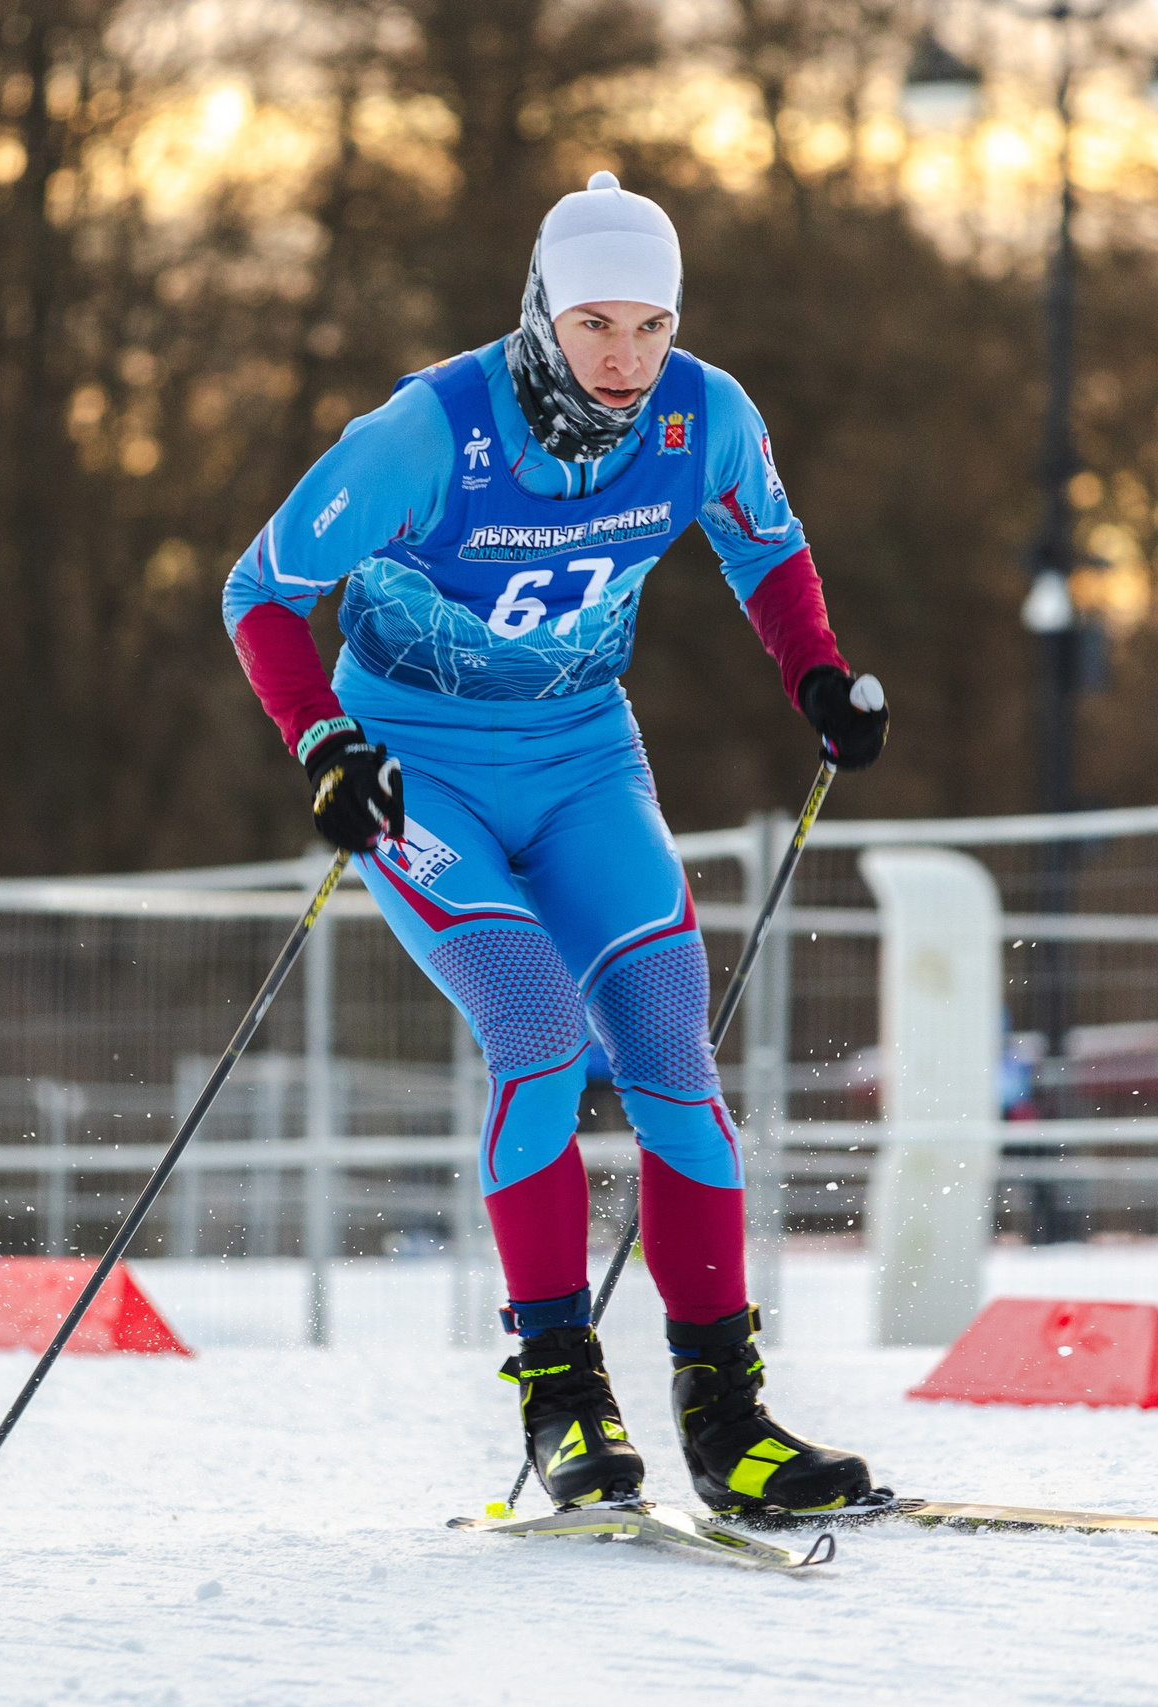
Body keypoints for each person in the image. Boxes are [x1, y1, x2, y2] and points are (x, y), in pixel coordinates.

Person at [223, 171, 889, 1517]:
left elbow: (770, 550)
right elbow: (261, 593)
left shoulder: (706, 414)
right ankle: (564, 1397)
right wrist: (322, 746)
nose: (625, 358)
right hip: (423, 769)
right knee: (534, 1031)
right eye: (596, 323)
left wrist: (815, 673)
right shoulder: (430, 431)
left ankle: (726, 1418)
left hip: (585, 757)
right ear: (541, 307)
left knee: (668, 1052)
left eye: (651, 325)